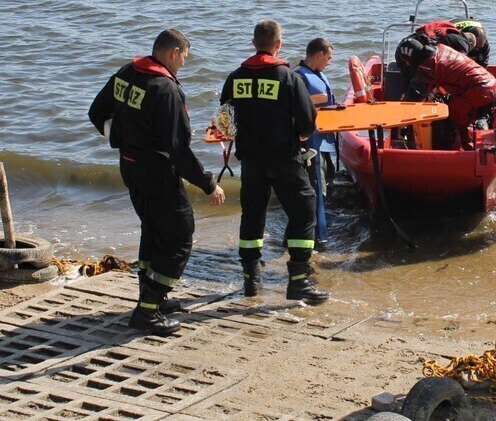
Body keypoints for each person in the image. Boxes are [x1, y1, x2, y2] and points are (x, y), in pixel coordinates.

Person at [88, 28, 225, 336]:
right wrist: (208, 184)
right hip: (157, 173)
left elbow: (97, 113)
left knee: (152, 231)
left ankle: (155, 299)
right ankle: (146, 312)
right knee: (179, 237)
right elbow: (178, 150)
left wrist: (123, 140)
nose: (184, 64)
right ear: (174, 53)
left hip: (130, 167)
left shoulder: (127, 72)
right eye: (185, 58)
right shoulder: (166, 90)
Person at [220, 19, 329, 303]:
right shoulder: (288, 77)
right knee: (304, 211)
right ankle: (298, 280)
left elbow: (224, 120)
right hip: (284, 159)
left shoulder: (235, 77)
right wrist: (301, 137)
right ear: (278, 44)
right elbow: (307, 123)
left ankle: (251, 279)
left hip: (252, 162)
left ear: (254, 43)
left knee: (252, 216)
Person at [397, 37, 496, 150]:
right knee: (455, 113)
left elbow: (414, 96)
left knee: (450, 121)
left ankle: (450, 151)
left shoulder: (428, 65)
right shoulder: (440, 48)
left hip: (478, 91)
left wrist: (400, 119)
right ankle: (466, 145)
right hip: (491, 84)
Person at [295, 38, 337, 243]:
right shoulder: (299, 77)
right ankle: (318, 238)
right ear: (319, 55)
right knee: (316, 190)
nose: (330, 63)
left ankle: (320, 230)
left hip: (325, 141)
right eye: (328, 58)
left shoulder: (318, 75)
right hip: (311, 144)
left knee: (326, 183)